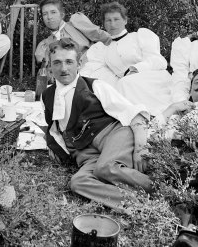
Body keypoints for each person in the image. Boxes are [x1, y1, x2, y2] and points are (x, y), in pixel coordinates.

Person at [42, 37, 154, 212]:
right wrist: (53, 146)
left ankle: (157, 188)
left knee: (106, 168)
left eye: (69, 62)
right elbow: (54, 128)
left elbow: (132, 113)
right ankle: (135, 203)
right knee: (78, 182)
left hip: (113, 135)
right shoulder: (47, 95)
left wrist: (141, 147)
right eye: (57, 63)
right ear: (50, 66)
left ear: (79, 64)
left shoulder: (95, 86)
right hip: (87, 153)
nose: (63, 69)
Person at [80, 2, 173, 114]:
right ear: (104, 24)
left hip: (151, 79)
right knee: (121, 87)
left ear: (125, 20)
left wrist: (135, 69)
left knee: (126, 84)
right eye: (108, 20)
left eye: (116, 19)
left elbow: (158, 61)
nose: (112, 24)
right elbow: (94, 70)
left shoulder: (139, 36)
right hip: (126, 88)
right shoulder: (104, 50)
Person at [34, 0, 111, 64]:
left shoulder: (75, 23)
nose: (49, 17)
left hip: (97, 63)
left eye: (53, 12)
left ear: (62, 14)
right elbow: (46, 69)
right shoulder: (45, 44)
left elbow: (104, 37)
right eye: (45, 14)